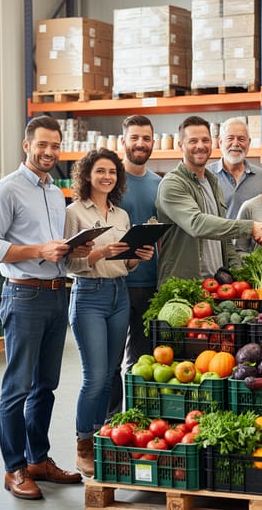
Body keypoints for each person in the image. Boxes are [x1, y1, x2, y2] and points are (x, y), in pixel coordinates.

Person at [0, 116, 87, 500]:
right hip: (23, 295)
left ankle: (38, 458)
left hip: (59, 293)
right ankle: (14, 468)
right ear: (27, 146)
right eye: (42, 145)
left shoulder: (56, 194)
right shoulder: (5, 190)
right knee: (17, 388)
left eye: (55, 146)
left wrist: (75, 247)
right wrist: (38, 251)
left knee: (46, 385)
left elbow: (54, 245)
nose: (49, 152)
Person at [65, 148, 155, 477]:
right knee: (94, 376)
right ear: (87, 175)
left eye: (112, 172)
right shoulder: (74, 212)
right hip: (89, 295)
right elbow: (68, 263)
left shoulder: (121, 216)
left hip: (119, 293)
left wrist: (138, 255)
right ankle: (83, 445)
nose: (107, 177)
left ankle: (106, 435)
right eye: (100, 171)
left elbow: (126, 264)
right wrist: (101, 251)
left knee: (113, 371)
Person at [155, 115, 262, 282]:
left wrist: (239, 274)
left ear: (212, 144)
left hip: (216, 283)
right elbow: (197, 224)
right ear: (180, 145)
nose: (200, 146)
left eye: (205, 140)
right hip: (184, 283)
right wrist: (251, 227)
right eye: (193, 141)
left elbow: (225, 240)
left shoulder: (213, 182)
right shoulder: (172, 184)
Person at [106, 115, 162, 420]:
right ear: (123, 141)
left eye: (146, 138)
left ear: (152, 142)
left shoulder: (159, 185)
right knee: (111, 361)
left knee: (140, 359)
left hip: (149, 283)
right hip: (114, 284)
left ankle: (137, 419)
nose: (140, 143)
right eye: (135, 137)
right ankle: (111, 422)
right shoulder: (110, 181)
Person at [210, 117, 262, 219]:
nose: (236, 144)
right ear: (220, 142)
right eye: (230, 138)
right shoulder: (206, 176)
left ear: (249, 143)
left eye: (241, 139)